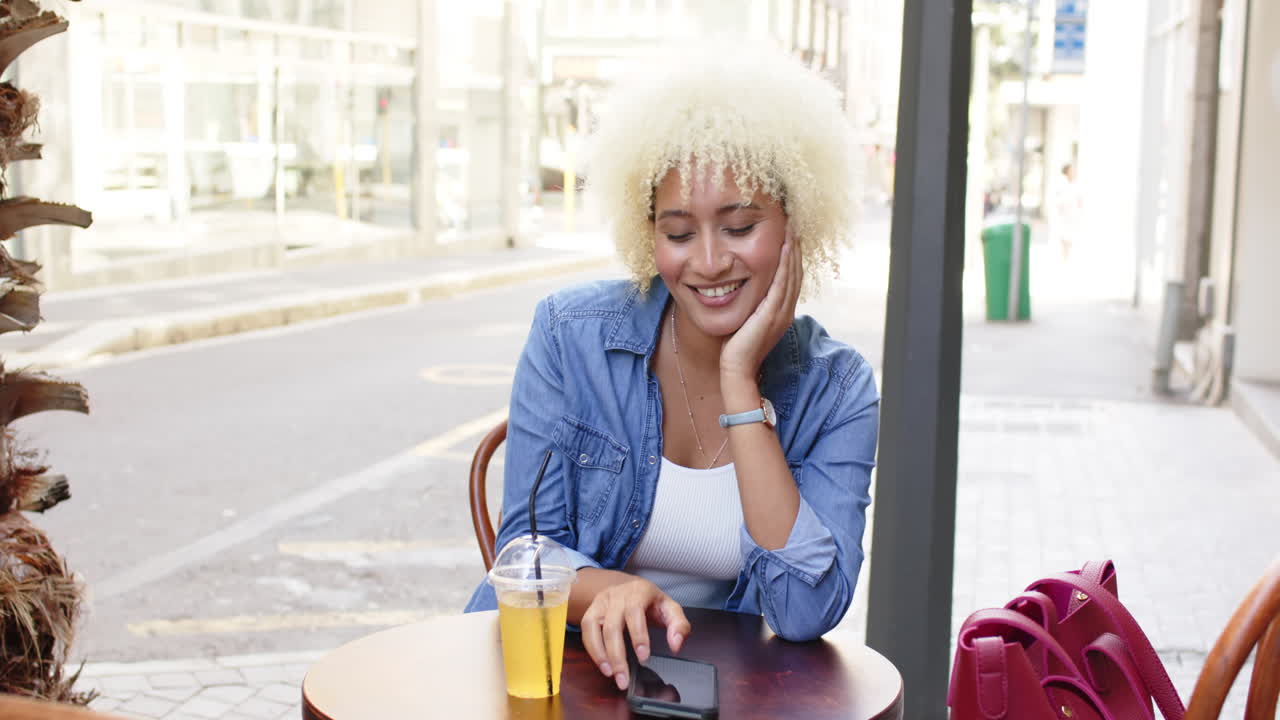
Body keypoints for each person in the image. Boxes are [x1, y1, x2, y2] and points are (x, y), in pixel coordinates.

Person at [464, 41, 880, 694]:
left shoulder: (838, 390)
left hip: (716, 692)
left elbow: (805, 611)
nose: (708, 263)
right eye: (679, 234)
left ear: (796, 224)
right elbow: (524, 551)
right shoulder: (571, 337)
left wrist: (741, 383)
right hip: (557, 675)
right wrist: (611, 588)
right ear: (648, 231)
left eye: (740, 227)